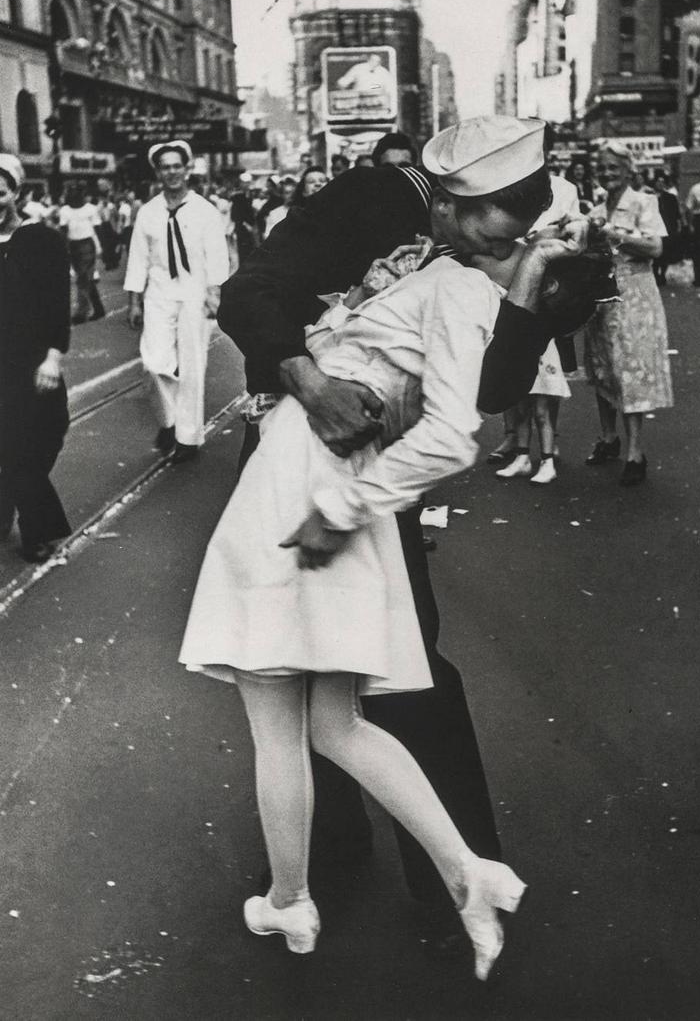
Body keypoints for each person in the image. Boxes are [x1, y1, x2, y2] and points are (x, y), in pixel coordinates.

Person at [217, 115, 588, 943]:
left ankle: (453, 874)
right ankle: (320, 849)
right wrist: (309, 381)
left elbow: (488, 395)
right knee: (294, 654)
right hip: (298, 439)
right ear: (451, 201)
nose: (500, 246)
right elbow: (249, 292)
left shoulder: (511, 253)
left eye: (520, 233)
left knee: (402, 655)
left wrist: (529, 305)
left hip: (386, 466)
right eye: (495, 227)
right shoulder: (374, 199)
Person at [124, 140, 230, 463]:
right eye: (165, 167)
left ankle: (188, 438)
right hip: (159, 293)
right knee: (153, 363)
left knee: (193, 365)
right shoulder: (148, 212)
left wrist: (214, 294)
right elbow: (138, 259)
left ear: (187, 169)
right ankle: (169, 421)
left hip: (195, 294)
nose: (171, 172)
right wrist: (134, 301)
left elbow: (217, 256)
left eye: (176, 166)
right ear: (158, 173)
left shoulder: (205, 211)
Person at [488, 136, 582, 484]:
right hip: (508, 284)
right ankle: (515, 440)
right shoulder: (504, 188)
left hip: (548, 291)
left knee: (545, 381)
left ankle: (548, 448)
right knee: (509, 366)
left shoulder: (565, 189)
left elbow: (572, 240)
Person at [583, 141, 674, 486]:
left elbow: (655, 246)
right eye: (602, 168)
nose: (607, 173)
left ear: (628, 170)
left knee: (631, 370)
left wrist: (610, 233)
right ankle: (609, 438)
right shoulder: (595, 208)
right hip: (601, 296)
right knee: (603, 368)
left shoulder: (643, 203)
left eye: (613, 167)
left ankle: (635, 452)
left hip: (634, 295)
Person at [0, 154, 72, 563]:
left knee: (47, 434)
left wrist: (53, 356)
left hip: (33, 361)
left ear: (16, 193)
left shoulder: (43, 241)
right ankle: (38, 530)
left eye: (0, 192)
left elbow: (57, 303)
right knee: (13, 446)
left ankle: (7, 497)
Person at [58, 184, 105, 324]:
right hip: (73, 245)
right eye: (71, 193)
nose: (74, 196)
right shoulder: (65, 210)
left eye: (77, 193)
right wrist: (63, 248)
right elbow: (63, 230)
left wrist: (100, 247)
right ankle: (99, 308)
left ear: (82, 194)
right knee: (85, 278)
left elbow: (98, 228)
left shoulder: (90, 209)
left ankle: (81, 313)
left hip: (87, 245)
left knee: (83, 278)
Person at [652, 171, 684, 287]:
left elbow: (677, 214)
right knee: (655, 252)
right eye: (658, 182)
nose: (660, 184)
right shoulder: (650, 197)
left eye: (662, 182)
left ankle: (663, 274)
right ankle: (655, 273)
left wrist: (678, 227)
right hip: (654, 228)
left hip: (668, 228)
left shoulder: (670, 197)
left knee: (665, 253)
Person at [230, 172, 257, 266]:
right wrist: (245, 224)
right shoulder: (237, 197)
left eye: (248, 182)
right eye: (244, 182)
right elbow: (235, 215)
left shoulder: (250, 195)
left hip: (251, 229)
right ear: (241, 183)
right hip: (242, 229)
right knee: (243, 253)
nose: (246, 185)